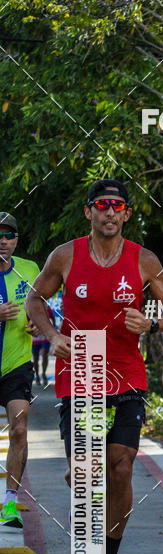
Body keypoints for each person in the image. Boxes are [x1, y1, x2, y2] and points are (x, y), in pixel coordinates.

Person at [26, 179, 163, 554]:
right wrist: (53, 335)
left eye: (117, 206)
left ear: (126, 213)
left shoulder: (144, 260)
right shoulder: (65, 255)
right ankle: (80, 471)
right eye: (102, 205)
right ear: (89, 212)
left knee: (121, 464)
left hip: (128, 369)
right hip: (82, 365)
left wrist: (152, 324)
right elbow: (34, 300)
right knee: (87, 473)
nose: (109, 212)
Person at [0, 213, 40, 528]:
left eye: (9, 235)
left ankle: (10, 504)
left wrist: (36, 321)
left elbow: (45, 307)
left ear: (16, 239)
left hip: (16, 364)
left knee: (20, 429)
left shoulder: (30, 270)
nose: (3, 241)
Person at [32, 304, 55, 386]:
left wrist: (53, 334)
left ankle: (44, 374)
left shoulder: (47, 307)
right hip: (35, 336)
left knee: (45, 354)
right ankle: (37, 375)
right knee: (35, 357)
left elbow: (53, 319)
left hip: (45, 336)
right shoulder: (30, 305)